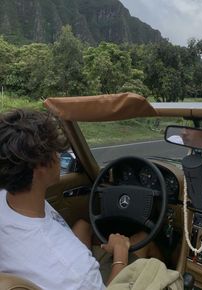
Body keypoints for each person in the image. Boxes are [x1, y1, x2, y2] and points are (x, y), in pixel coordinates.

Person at [0, 109, 161, 290]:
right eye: (55, 152)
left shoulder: (6, 196)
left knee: (83, 226)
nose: (59, 157)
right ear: (39, 167)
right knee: (144, 239)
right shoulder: (74, 275)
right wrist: (120, 255)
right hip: (94, 282)